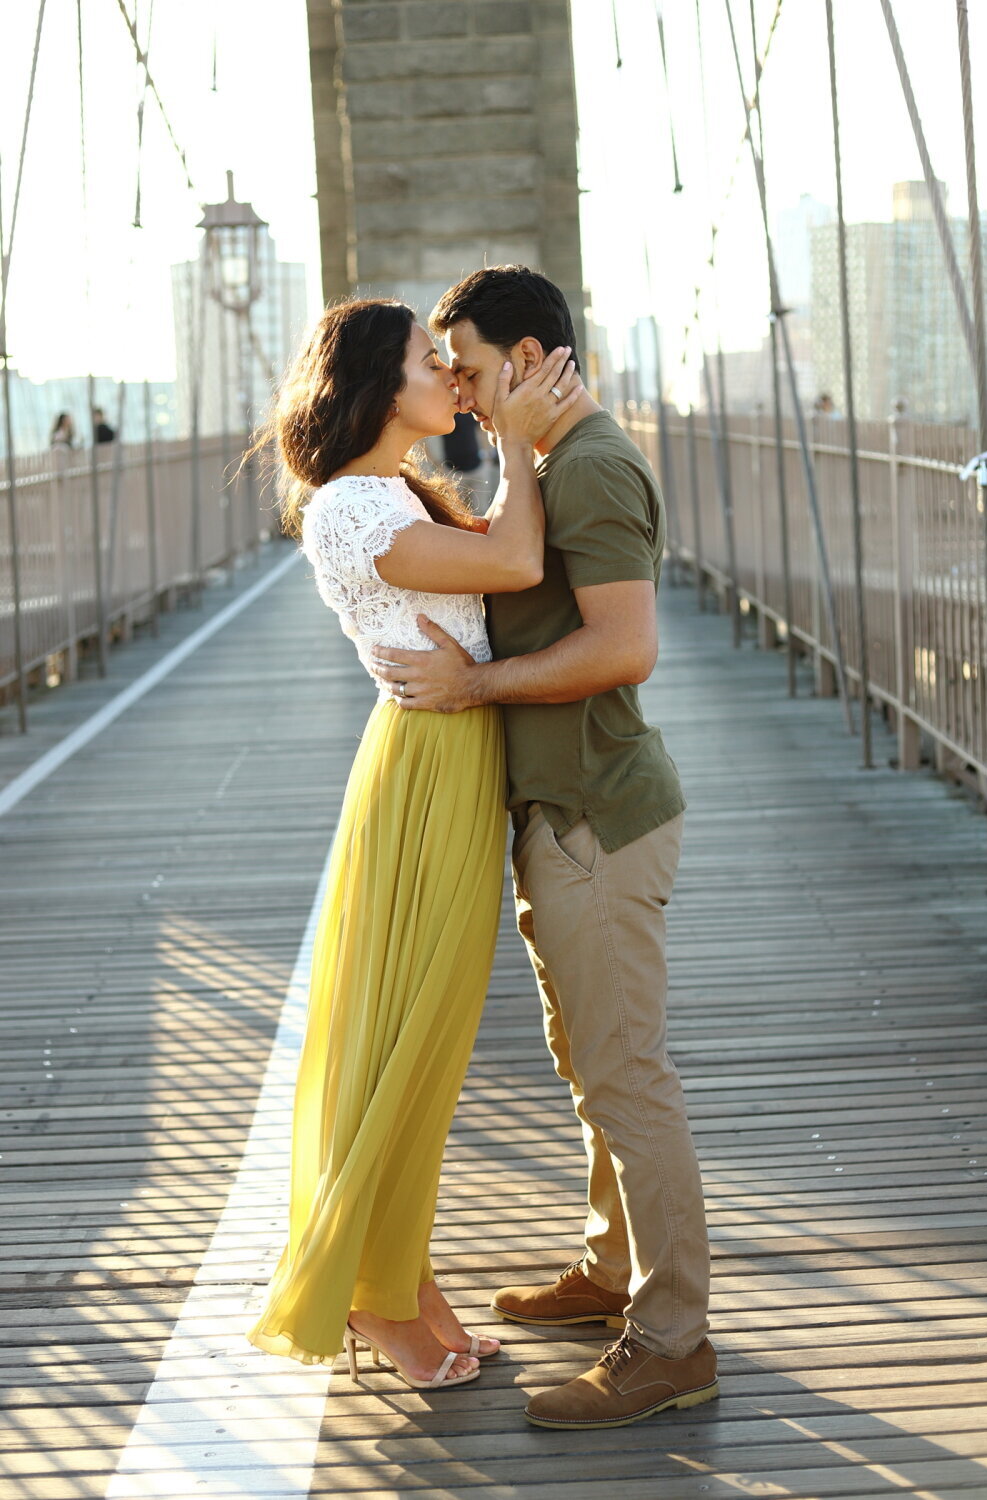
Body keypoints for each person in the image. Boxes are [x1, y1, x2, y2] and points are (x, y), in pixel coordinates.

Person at [372, 265, 717, 1430]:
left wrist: (473, 686)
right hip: (559, 817)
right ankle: (610, 1270)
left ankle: (670, 1341)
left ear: (526, 360)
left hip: (597, 819)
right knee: (591, 1070)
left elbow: (624, 648)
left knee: (628, 1077)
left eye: (466, 367)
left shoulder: (597, 466)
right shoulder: (552, 464)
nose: (459, 392)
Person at [244, 297, 582, 1390]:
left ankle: (402, 1288)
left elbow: (493, 550)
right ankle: (368, 1297)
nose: (454, 378)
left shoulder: (391, 490)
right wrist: (522, 445)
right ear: (381, 391)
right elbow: (520, 561)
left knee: (419, 1049)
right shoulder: (348, 506)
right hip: (426, 772)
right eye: (434, 364)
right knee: (404, 1042)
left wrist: (507, 454)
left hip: (450, 758)